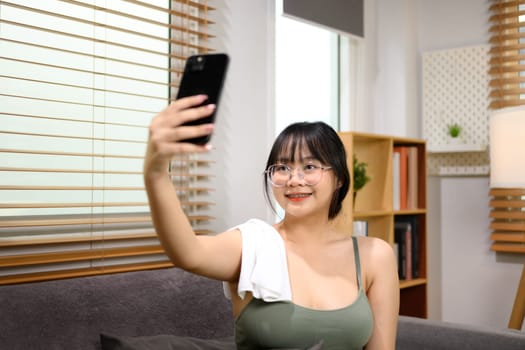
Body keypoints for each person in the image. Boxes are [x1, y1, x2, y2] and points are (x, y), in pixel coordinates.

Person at [143, 94, 400, 350]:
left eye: (310, 167)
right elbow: (188, 252)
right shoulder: (253, 245)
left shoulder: (375, 256)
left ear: (340, 179)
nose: (294, 179)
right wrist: (156, 173)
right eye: (282, 168)